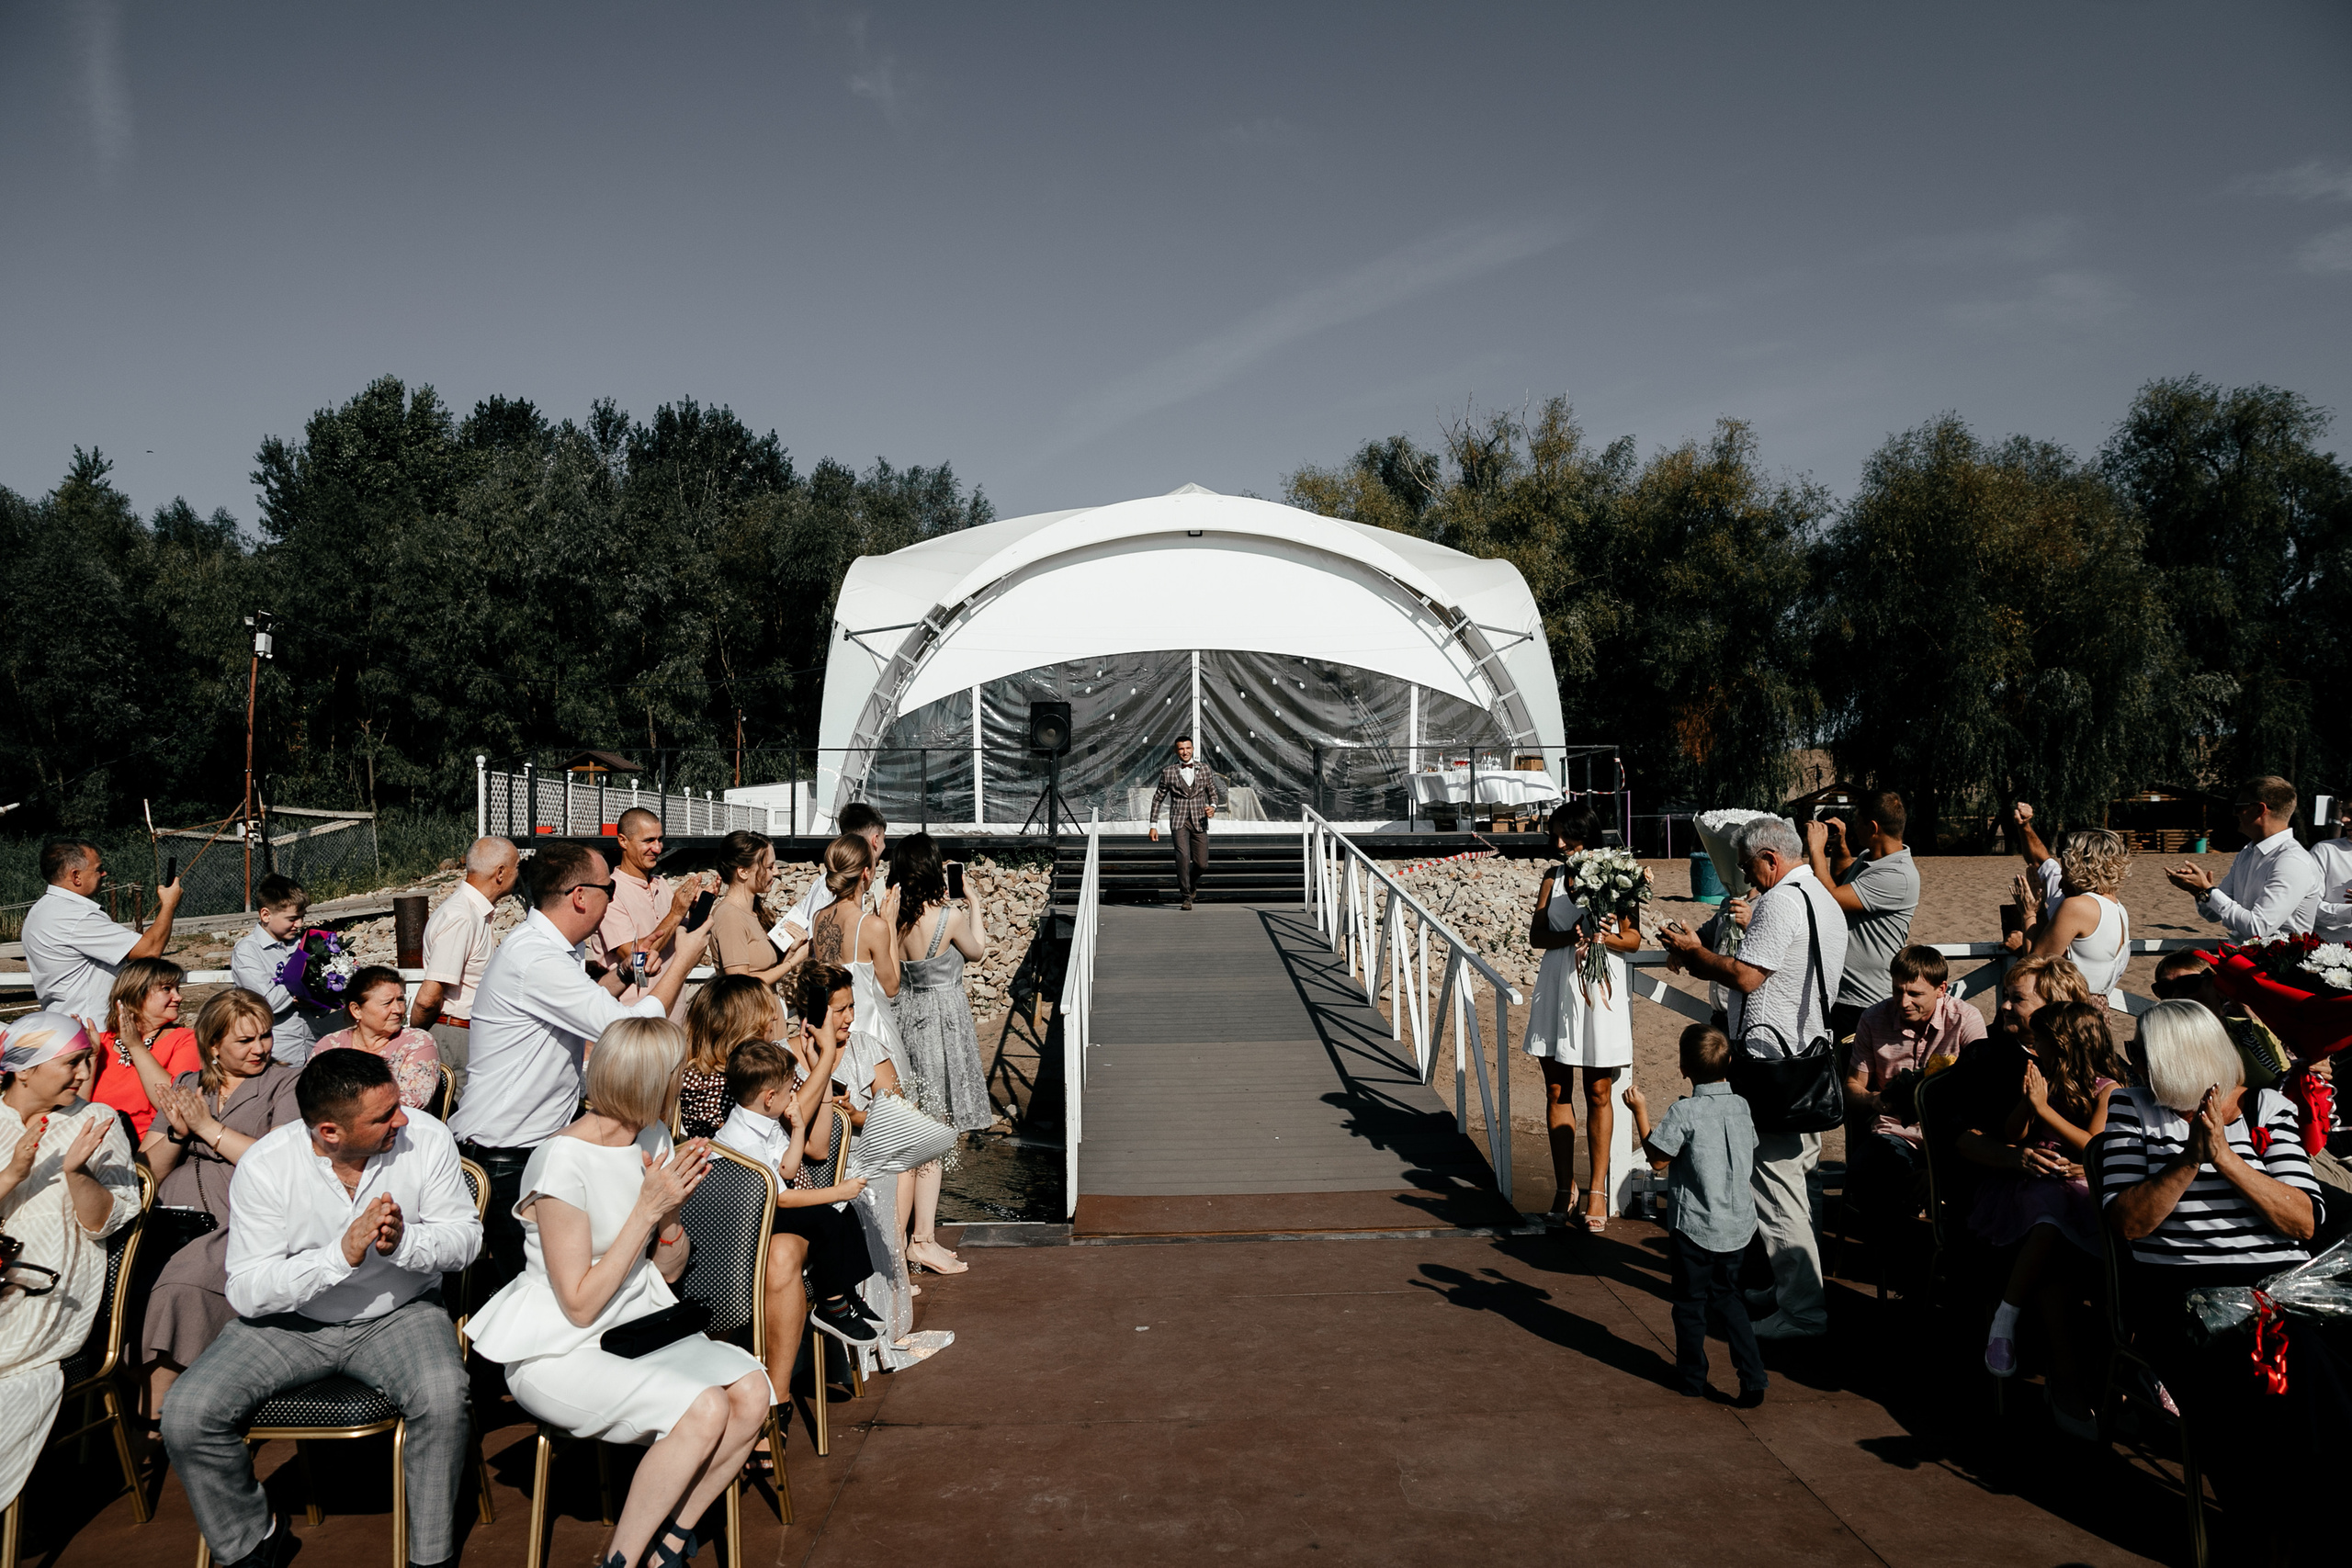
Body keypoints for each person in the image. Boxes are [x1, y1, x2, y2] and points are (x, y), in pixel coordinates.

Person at [466, 1018, 771, 1568]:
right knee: (702, 1407)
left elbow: (669, 1270)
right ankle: (622, 1561)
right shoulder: (562, 1160)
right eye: (680, 1071)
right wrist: (647, 1209)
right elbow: (579, 1303)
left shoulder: (651, 1135)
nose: (689, 1079)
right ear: (653, 1080)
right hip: (560, 1346)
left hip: (636, 1324)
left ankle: (670, 1541)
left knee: (751, 1390)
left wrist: (672, 1215)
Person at [162, 1049, 481, 1568]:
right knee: (188, 1413)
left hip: (400, 1311)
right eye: (383, 1117)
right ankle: (252, 1542)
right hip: (289, 1324)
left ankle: (431, 1557)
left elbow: (465, 1240)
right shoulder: (267, 1164)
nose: (402, 1119)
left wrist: (404, 1243)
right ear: (329, 1131)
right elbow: (247, 1289)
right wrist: (337, 1258)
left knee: (444, 1396)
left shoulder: (427, 1136)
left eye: (396, 1105)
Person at [2098, 998, 2346, 1559]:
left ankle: (2309, 1513)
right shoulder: (2131, 1110)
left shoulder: (2265, 1108)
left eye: (2144, 1053)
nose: (2134, 1061)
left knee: (2317, 1352)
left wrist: (2229, 1160)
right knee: (2289, 1360)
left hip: (2283, 1286)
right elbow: (2130, 1225)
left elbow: (2304, 1221)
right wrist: (2189, 1159)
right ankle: (2291, 1526)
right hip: (2185, 1298)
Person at [453, 840, 715, 1300]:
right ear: (580, 896)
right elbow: (630, 1030)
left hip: (529, 1144)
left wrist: (636, 970)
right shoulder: (536, 959)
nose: (611, 897)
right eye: (609, 889)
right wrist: (684, 962)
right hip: (508, 1153)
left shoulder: (549, 949)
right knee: (536, 1301)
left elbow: (589, 994)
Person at [1657, 815, 1846, 1339]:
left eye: (1748, 868)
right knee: (1800, 1179)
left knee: (1776, 1185)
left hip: (1773, 1062)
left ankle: (1804, 1311)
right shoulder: (1820, 897)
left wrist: (1696, 955)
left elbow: (1746, 975)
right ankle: (1795, 1291)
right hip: (1806, 1054)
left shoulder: (1783, 900)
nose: (1746, 880)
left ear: (1771, 858)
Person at [0, 1012, 142, 1528]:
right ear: (24, 1070)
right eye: (72, 1062)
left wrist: (77, 1171)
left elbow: (103, 1223)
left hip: (53, 1282)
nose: (86, 1072)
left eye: (87, 1060)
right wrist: (14, 1173)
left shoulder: (95, 1119)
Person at [139, 988, 304, 1425]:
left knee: (183, 1282)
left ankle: (159, 1418)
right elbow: (146, 1173)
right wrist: (176, 1134)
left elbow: (279, 1163)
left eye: (265, 1037)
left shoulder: (287, 1083)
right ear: (213, 1045)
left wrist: (206, 1127)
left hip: (240, 1213)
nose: (260, 1049)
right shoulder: (189, 1085)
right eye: (245, 1041)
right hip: (172, 1213)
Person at [714, 1035, 879, 1448]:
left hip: (769, 1207)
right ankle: (834, 1301)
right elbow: (780, 1194)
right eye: (791, 1090)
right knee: (830, 1214)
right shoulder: (744, 1137)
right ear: (770, 1097)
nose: (794, 1096)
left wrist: (798, 1128)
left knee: (841, 1218)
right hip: (750, 1222)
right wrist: (835, 1193)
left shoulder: (764, 1123)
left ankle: (840, 1296)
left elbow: (786, 1169)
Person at [1971, 1001, 2124, 1435]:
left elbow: (2094, 1145)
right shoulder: (2042, 1078)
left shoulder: (2106, 1088)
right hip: (2032, 1183)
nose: (2033, 1046)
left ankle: (2015, 1318)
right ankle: (2006, 1318)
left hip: (2080, 1184)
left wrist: (2044, 1108)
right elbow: (2013, 1134)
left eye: (2040, 1040)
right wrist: (2028, 1103)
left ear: (2063, 1044)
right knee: (2047, 1213)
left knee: (2058, 1211)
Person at [1520, 801, 1639, 1233]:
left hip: (1598, 989)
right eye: (1555, 834)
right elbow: (1536, 936)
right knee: (1556, 1088)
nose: (1559, 843)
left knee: (1600, 1090)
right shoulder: (1551, 878)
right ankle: (1563, 1187)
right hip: (1555, 982)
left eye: (1566, 835)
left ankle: (1597, 1191)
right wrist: (1568, 936)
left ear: (1587, 835)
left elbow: (1634, 940)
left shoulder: (1616, 875)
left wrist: (1603, 937)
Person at [1642, 1024, 1766, 1407]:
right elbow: (1753, 1146)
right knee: (1728, 1298)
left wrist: (1640, 1112)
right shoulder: (1742, 1105)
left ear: (1682, 1068)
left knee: (1690, 1303)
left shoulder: (1684, 1111)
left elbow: (1658, 1160)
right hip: (1737, 1223)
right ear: (1729, 1062)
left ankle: (1692, 1377)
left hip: (1694, 1226)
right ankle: (1753, 1376)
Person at [1841, 945, 1985, 1225]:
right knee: (1872, 1169)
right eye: (1897, 991)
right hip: (1895, 1134)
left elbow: (1981, 1099)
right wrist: (1873, 1100)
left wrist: (1940, 1168)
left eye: (1915, 994)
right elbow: (1851, 1086)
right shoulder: (1873, 1019)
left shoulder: (1966, 1020)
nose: (1903, 1002)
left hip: (1954, 1138)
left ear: (1941, 989)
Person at [20, 839, 184, 1024]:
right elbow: (149, 950)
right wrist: (169, 904)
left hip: (66, 1023)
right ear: (76, 876)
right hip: (93, 1028)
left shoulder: (41, 910)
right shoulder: (74, 916)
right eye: (98, 869)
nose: (104, 873)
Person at [410, 836, 519, 1103]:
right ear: (501, 872)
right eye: (517, 867)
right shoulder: (461, 916)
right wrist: (417, 1035)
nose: (519, 874)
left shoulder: (473, 913)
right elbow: (428, 997)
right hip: (454, 1032)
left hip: (463, 1031)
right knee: (456, 1113)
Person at [1803, 793, 1918, 1041]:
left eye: (1857, 821)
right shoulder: (1871, 858)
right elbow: (1846, 879)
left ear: (1873, 827)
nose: (1854, 827)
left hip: (1864, 1001)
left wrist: (1815, 849)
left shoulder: (1897, 874)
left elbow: (1831, 897)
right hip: (1844, 996)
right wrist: (1841, 845)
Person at [2165, 774, 2321, 939]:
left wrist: (2208, 890)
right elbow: (2212, 914)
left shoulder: (2291, 861)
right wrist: (2199, 891)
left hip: (2278, 962)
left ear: (2260, 809)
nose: (2235, 814)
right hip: (2241, 958)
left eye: (2239, 807)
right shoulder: (2247, 853)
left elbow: (2257, 928)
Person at [589, 807, 704, 1008]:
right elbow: (635, 958)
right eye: (648, 841)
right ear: (623, 841)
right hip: (634, 1018)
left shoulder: (661, 884)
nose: (658, 848)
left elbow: (688, 939)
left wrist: (699, 906)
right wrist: (676, 913)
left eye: (660, 840)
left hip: (672, 1014)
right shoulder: (611, 892)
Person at [2011, 829, 2133, 1010]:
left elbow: (2034, 965)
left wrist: (2028, 913)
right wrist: (2041, 910)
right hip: (2098, 1009)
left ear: (2075, 863)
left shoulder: (2077, 906)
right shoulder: (2118, 908)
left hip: (2069, 1008)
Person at [91, 956, 201, 1141]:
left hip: (150, 1149)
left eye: (177, 989)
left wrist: (135, 1046)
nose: (178, 997)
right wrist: (90, 1059)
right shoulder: (99, 1043)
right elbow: (72, 1106)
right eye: (167, 989)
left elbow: (176, 1105)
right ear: (136, 993)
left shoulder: (185, 1040)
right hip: (95, 1145)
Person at [230, 874, 330, 1067]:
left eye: (302, 917)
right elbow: (266, 1003)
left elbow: (323, 1006)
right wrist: (302, 985)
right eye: (292, 918)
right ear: (266, 915)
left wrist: (317, 999)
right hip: (275, 1054)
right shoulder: (248, 951)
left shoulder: (303, 946)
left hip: (312, 1046)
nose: (299, 924)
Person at [314, 965, 445, 1109]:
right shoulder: (329, 1046)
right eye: (387, 1003)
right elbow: (311, 1097)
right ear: (356, 1010)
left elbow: (412, 1101)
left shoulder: (417, 1042)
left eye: (400, 1000)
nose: (398, 1010)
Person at [773, 802, 888, 953]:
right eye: (884, 840)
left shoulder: (841, 880)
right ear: (876, 839)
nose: (884, 846)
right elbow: (822, 946)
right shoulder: (832, 886)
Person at [681, 976, 786, 1140]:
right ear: (745, 1024)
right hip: (739, 1163)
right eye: (766, 1011)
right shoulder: (703, 1084)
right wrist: (825, 1057)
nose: (775, 1017)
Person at [1148, 737, 1225, 911]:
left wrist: (1212, 807)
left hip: (1199, 820)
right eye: (1181, 749)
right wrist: (1153, 825)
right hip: (1179, 821)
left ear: (1193, 749)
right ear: (1176, 751)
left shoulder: (1204, 768)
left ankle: (1190, 883)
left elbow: (1213, 793)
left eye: (1188, 748)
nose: (1185, 752)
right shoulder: (1168, 772)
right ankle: (1186, 896)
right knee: (1182, 857)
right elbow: (1158, 799)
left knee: (1202, 864)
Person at [709, 829, 792, 985]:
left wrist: (793, 951)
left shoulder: (753, 912)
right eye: (769, 867)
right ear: (743, 871)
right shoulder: (730, 916)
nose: (776, 872)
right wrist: (792, 962)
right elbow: (740, 984)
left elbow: (766, 973)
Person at [2311, 823, 2352, 942]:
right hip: (2331, 951)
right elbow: (2307, 909)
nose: (2344, 819)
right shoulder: (2325, 851)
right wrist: (2348, 912)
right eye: (2343, 812)